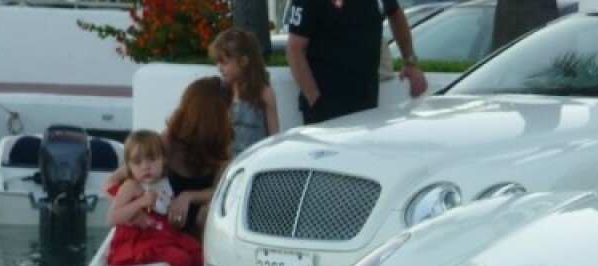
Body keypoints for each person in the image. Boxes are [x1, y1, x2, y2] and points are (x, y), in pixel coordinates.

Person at [106, 131, 224, 266]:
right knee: (181, 259)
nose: (146, 167)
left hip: (163, 232)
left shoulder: (164, 182)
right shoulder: (132, 186)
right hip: (140, 238)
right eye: (138, 162)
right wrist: (139, 204)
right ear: (129, 166)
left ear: (164, 161)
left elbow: (163, 209)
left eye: (152, 160)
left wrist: (172, 218)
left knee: (198, 253)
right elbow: (113, 217)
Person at [286, 0, 427, 125]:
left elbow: (395, 13)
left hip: (367, 106)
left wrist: (410, 62)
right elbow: (295, 50)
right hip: (325, 110)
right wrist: (315, 100)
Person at [162, 76, 234, 241]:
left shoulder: (223, 142)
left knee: (207, 213)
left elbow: (221, 190)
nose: (231, 113)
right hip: (169, 216)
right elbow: (119, 179)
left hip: (198, 218)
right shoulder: (169, 140)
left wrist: (188, 196)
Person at [211, 27, 281, 157]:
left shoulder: (264, 93)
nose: (219, 68)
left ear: (244, 61)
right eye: (218, 62)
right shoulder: (223, 93)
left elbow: (274, 136)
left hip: (257, 159)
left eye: (224, 63)